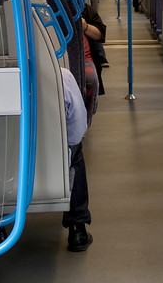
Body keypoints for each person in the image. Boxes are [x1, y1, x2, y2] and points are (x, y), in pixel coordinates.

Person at [61, 67, 92, 252]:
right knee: (76, 152)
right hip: (56, 158)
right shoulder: (62, 76)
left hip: (6, 168)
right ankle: (78, 229)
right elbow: (78, 128)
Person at [80, 3, 106, 123]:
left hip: (85, 58)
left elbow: (100, 34)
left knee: (90, 79)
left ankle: (86, 120)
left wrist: (85, 27)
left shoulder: (83, 8)